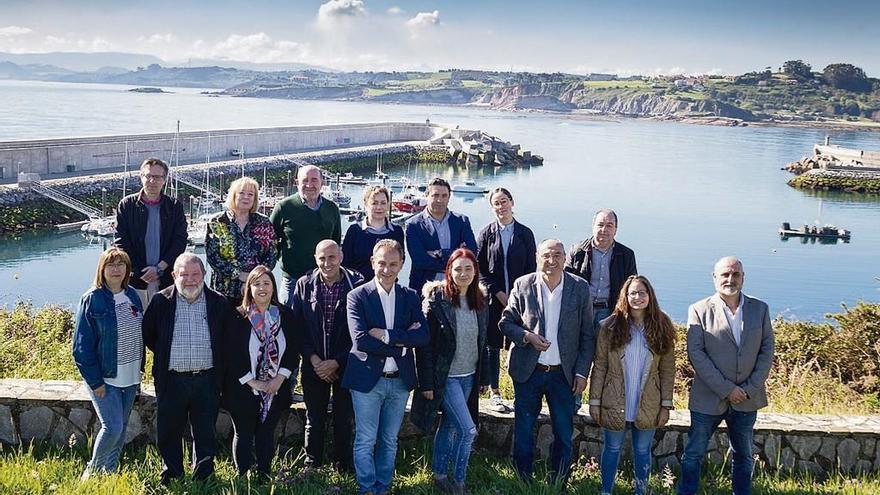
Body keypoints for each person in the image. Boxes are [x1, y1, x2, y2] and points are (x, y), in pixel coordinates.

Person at [500, 239, 597, 486]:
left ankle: (559, 483)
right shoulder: (523, 285)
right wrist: (527, 337)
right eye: (546, 255)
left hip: (563, 376)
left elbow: (588, 335)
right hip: (528, 372)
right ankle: (523, 481)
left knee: (564, 434)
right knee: (523, 431)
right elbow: (506, 323)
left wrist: (582, 373)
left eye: (557, 255)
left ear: (565, 258)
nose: (551, 260)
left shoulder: (580, 288)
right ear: (536, 257)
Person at [678, 256, 774, 495]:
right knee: (693, 454)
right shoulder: (698, 310)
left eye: (735, 274)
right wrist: (727, 389)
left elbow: (766, 350)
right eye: (725, 275)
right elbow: (696, 354)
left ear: (743, 277)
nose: (730, 279)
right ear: (714, 277)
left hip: (747, 399)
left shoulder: (760, 309)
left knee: (743, 456)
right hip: (707, 399)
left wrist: (749, 389)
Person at [341, 239, 429, 495]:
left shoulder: (410, 296)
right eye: (382, 263)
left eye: (393, 264)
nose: (387, 269)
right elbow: (361, 340)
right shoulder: (356, 296)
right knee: (366, 440)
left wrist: (388, 336)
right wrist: (403, 342)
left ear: (402, 264)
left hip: (399, 381)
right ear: (372, 262)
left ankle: (383, 486)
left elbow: (422, 336)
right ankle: (367, 487)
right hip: (367, 380)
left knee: (389, 440)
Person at [142, 253, 229, 484]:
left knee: (205, 431)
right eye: (184, 274)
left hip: (207, 379)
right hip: (171, 380)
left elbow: (225, 338)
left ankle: (203, 475)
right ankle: (172, 474)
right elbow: (149, 335)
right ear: (173, 275)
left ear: (204, 275)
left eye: (195, 274)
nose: (190, 279)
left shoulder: (218, 302)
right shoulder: (161, 301)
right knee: (169, 431)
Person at [588, 275, 676, 495]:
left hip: (648, 400)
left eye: (642, 293)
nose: (637, 297)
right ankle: (606, 491)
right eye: (633, 293)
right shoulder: (609, 326)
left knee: (642, 449)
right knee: (612, 448)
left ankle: (640, 491)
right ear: (625, 297)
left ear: (650, 296)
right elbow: (599, 366)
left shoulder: (662, 326)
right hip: (614, 398)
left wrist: (666, 404)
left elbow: (667, 370)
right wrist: (595, 401)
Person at [411, 248, 488, 495]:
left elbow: (482, 342)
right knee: (468, 430)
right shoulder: (437, 301)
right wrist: (427, 383)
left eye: (468, 268)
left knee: (450, 427)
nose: (463, 274)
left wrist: (484, 377)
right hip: (447, 378)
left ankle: (439, 473)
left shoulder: (480, 300)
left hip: (469, 376)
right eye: (458, 269)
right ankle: (459, 481)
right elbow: (424, 346)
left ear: (475, 271)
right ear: (449, 272)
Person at [291, 240, 364, 471]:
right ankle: (312, 463)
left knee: (344, 418)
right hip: (314, 364)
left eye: (332, 257)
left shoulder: (357, 283)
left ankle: (342, 464)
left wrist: (336, 362)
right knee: (315, 417)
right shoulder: (304, 285)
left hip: (346, 364)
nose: (327, 263)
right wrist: (314, 360)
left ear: (341, 256)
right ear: (315, 259)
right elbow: (297, 329)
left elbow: (360, 332)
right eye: (322, 258)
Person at [72, 247, 144, 479]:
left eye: (121, 264)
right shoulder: (92, 299)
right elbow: (81, 348)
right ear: (102, 270)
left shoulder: (132, 295)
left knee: (121, 429)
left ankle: (109, 471)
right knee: (112, 427)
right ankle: (92, 474)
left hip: (130, 376)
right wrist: (95, 381)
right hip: (106, 377)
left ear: (127, 269)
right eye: (111, 265)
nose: (116, 269)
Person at [223, 265, 298, 478]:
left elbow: (293, 350)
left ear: (274, 287)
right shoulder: (237, 317)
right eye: (257, 284)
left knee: (266, 433)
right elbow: (231, 354)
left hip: (276, 387)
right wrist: (254, 383)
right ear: (249, 288)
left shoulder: (285, 315)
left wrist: (280, 378)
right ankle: (242, 475)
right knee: (244, 433)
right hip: (244, 388)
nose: (262, 288)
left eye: (266, 283)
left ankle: (264, 475)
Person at [476, 187, 536, 413]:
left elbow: (532, 269)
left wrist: (518, 297)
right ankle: (495, 392)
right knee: (492, 345)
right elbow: (480, 269)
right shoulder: (486, 234)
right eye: (496, 203)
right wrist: (499, 294)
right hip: (494, 300)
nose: (501, 207)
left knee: (519, 343)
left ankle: (520, 388)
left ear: (512, 203)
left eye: (504, 202)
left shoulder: (525, 233)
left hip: (521, 301)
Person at [114, 157, 188, 308]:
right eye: (148, 176)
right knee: (136, 325)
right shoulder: (127, 206)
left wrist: (160, 268)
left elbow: (180, 241)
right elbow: (121, 242)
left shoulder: (174, 206)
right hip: (135, 281)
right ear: (141, 177)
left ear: (164, 180)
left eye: (157, 177)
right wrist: (141, 271)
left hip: (166, 279)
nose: (152, 181)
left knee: (163, 326)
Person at [271, 164, 342, 305]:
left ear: (322, 183)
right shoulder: (284, 207)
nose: (309, 184)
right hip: (292, 281)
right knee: (289, 322)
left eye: (314, 180)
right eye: (305, 180)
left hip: (323, 280)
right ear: (297, 182)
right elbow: (270, 241)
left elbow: (336, 242)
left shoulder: (332, 208)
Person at [205, 177, 277, 305]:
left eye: (251, 194)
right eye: (242, 193)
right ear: (233, 195)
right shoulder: (217, 222)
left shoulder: (264, 222)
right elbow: (213, 257)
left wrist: (253, 278)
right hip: (224, 292)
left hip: (257, 291)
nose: (246, 197)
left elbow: (271, 255)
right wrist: (239, 274)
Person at [565, 208, 637, 330]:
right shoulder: (578, 251)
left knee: (605, 348)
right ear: (593, 227)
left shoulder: (626, 255)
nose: (604, 230)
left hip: (610, 312)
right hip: (581, 311)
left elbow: (632, 286)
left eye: (609, 225)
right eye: (600, 225)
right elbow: (565, 283)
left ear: (616, 230)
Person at [404, 177, 477, 295]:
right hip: (425, 290)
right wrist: (456, 254)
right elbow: (420, 261)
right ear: (427, 196)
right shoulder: (413, 225)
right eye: (435, 195)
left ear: (449, 197)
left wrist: (439, 253)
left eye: (444, 196)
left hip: (459, 288)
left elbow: (471, 252)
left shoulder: (462, 221)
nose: (440, 200)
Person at [342, 185, 405, 282]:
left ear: (388, 205)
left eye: (383, 203)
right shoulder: (354, 231)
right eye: (374, 203)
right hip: (359, 289)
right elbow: (346, 263)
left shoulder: (397, 232)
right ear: (366, 205)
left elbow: (400, 261)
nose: (379, 207)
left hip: (389, 288)